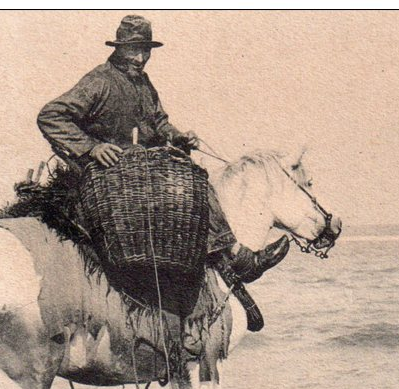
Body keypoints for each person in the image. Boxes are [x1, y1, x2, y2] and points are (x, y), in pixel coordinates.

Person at [37, 15, 288, 327]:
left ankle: (233, 254)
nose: (141, 58)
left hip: (140, 168)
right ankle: (241, 258)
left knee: (195, 179)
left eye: (145, 51)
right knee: (194, 189)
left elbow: (158, 122)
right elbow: (51, 115)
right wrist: (91, 148)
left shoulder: (142, 83)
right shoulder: (100, 81)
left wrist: (178, 136)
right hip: (110, 173)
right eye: (134, 50)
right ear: (119, 49)